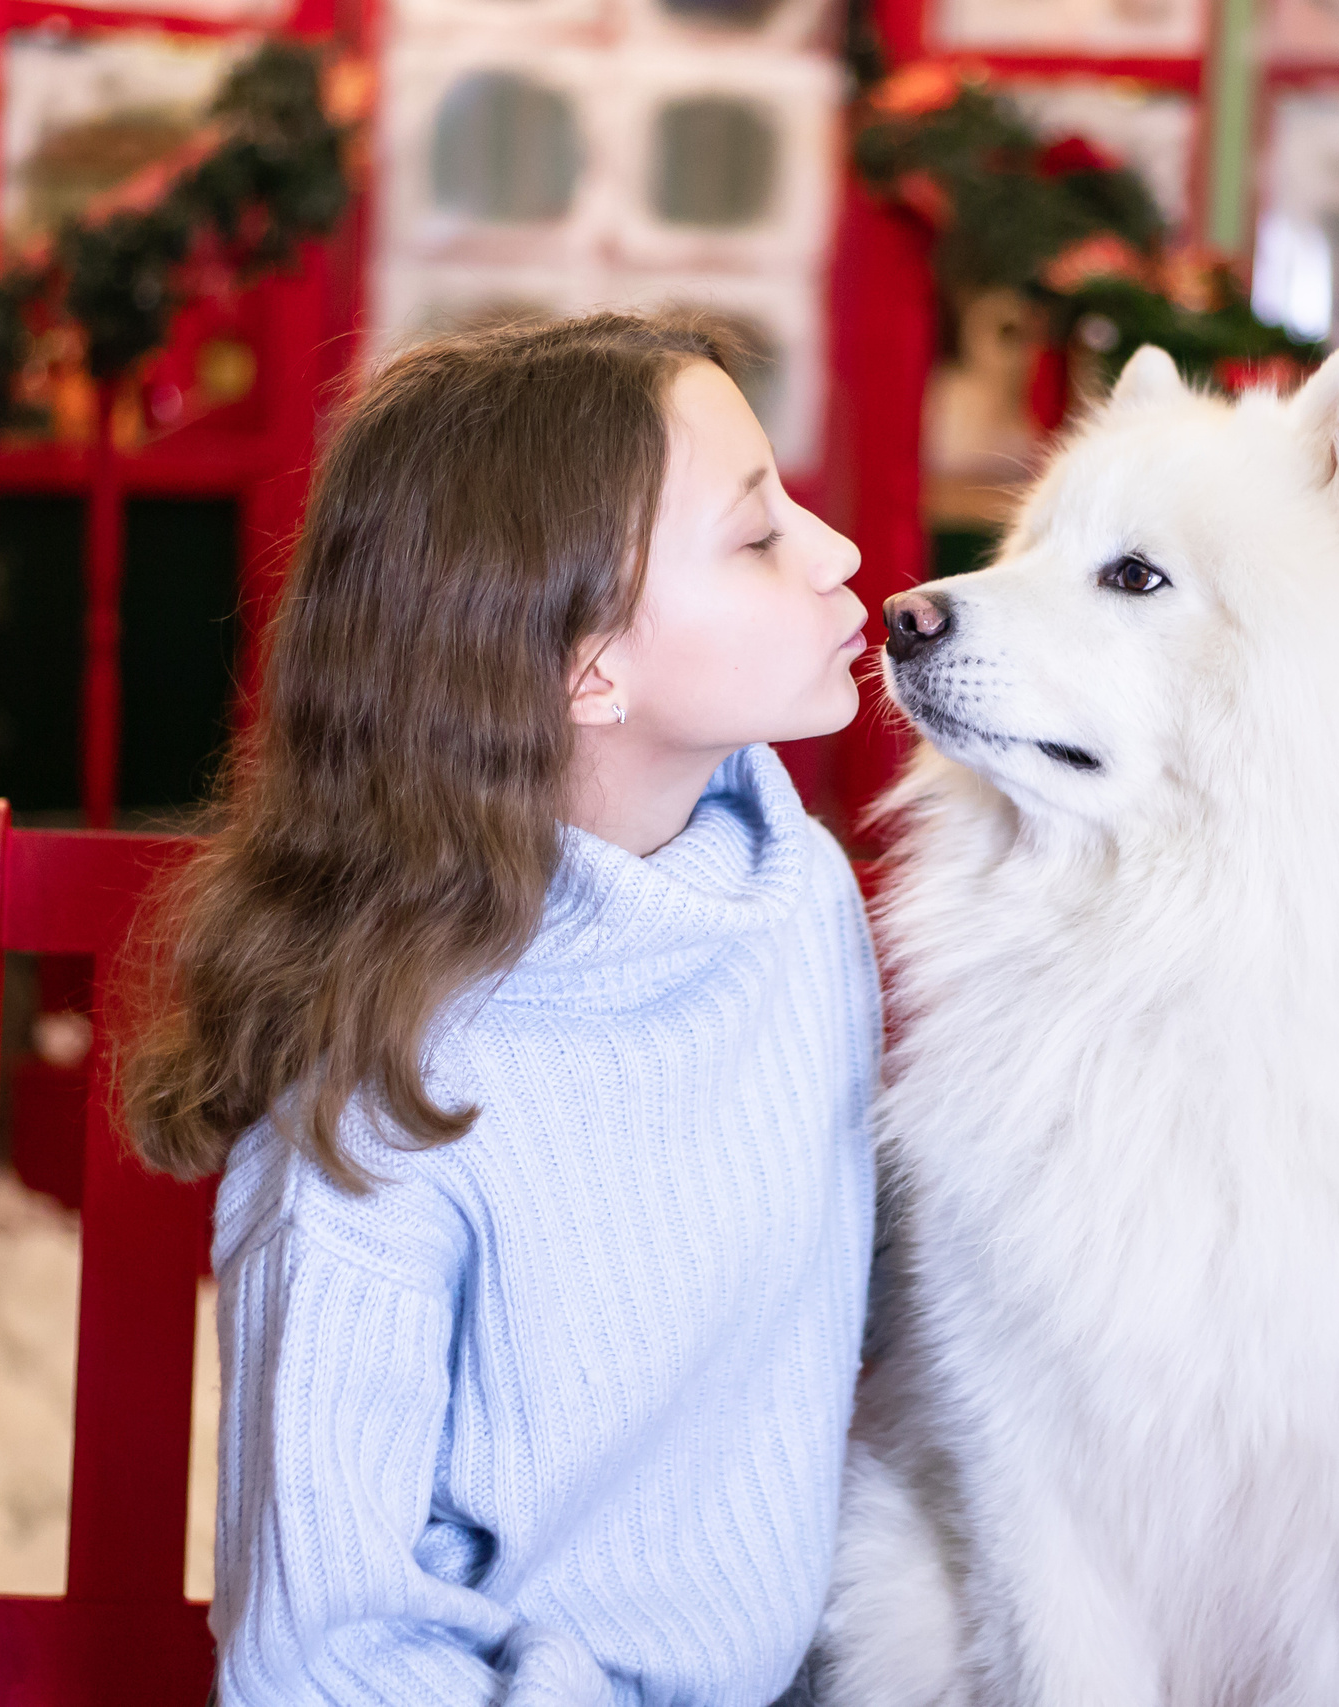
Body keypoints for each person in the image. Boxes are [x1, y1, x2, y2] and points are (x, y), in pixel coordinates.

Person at [119, 310, 879, 1707]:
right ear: (587, 668)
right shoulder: (384, 1102)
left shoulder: (794, 897)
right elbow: (326, 1659)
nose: (835, 554)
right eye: (757, 535)